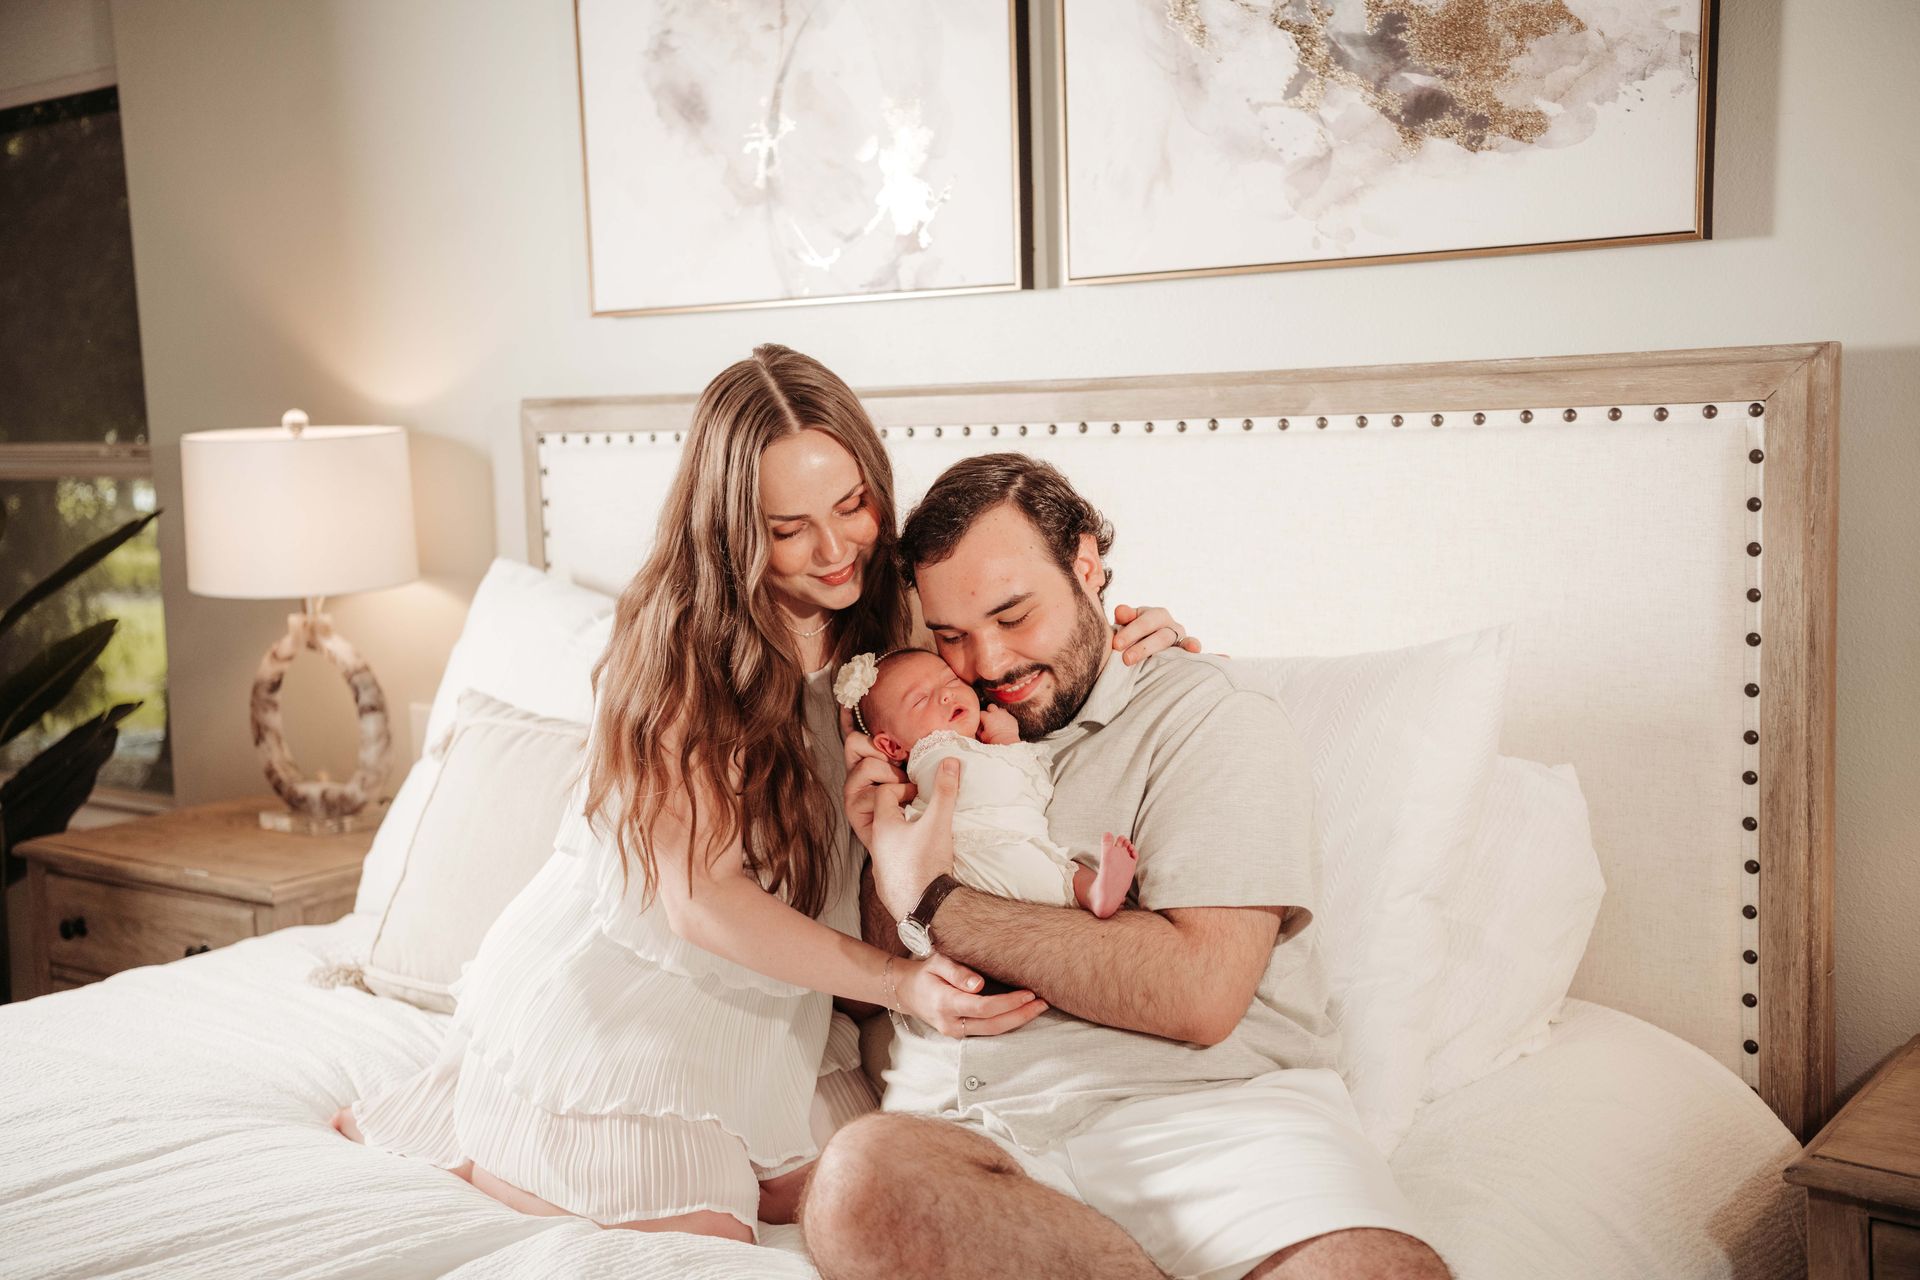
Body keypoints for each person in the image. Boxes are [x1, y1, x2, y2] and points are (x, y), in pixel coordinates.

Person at [329, 346, 1196, 1243]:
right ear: (733, 528)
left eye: (852, 505)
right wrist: (901, 982)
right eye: (788, 529)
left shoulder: (889, 605)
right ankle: (485, 1144)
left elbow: (1014, 678)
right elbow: (702, 903)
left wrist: (1138, 636)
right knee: (712, 1238)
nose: (834, 551)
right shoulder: (676, 647)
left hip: (784, 1002)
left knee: (848, 1194)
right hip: (640, 993)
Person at [806, 454, 1450, 1280]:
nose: (987, 664)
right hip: (976, 1134)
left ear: (1085, 565)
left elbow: (1197, 990)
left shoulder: (1210, 719)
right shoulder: (927, 727)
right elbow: (880, 963)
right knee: (856, 1179)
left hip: (1206, 1122)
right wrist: (881, 846)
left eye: (1014, 615)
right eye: (951, 635)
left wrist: (935, 901)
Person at [834, 647, 1138, 918]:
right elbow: (1001, 786)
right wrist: (1008, 740)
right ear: (892, 747)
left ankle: (1096, 891)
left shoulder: (976, 747)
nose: (946, 694)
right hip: (983, 867)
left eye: (950, 680)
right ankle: (1090, 891)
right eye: (920, 699)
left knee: (1067, 870)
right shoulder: (934, 755)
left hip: (1026, 858)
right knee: (1058, 873)